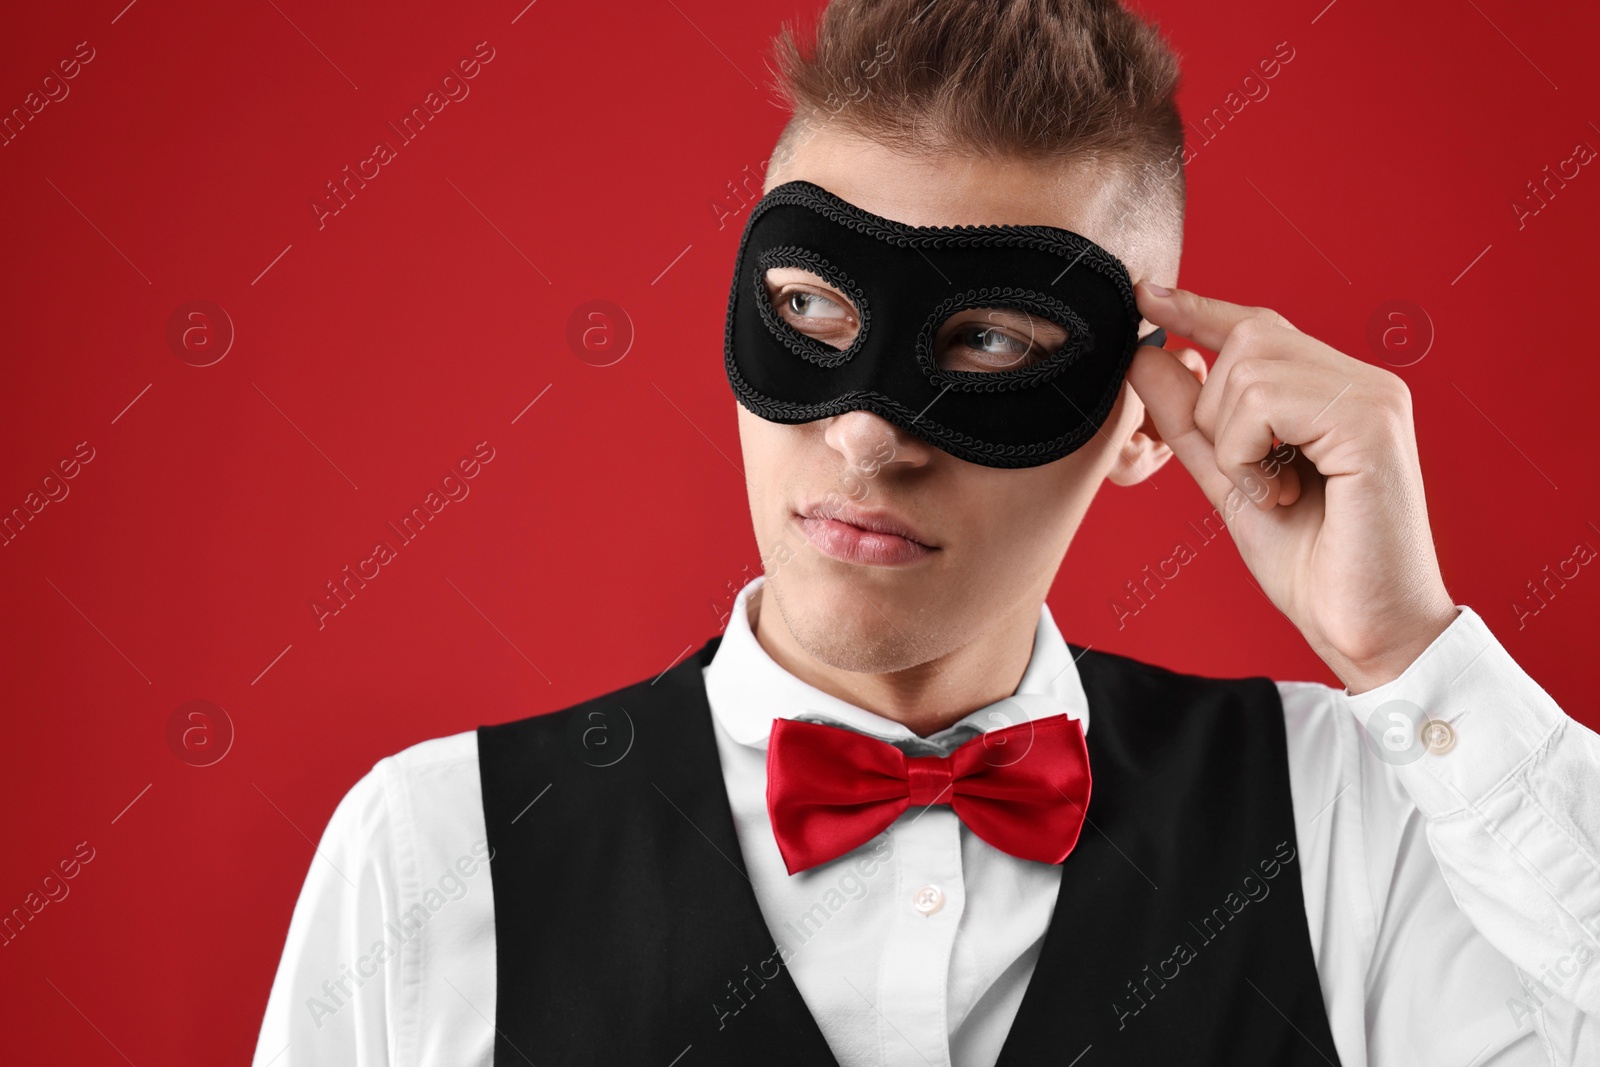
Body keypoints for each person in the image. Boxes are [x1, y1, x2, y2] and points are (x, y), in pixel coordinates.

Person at [251, 1, 1599, 1064]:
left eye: (995, 340)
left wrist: (1407, 656)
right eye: (815, 313)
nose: (867, 435)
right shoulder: (433, 851)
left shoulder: (1346, 815)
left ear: (1141, 416)